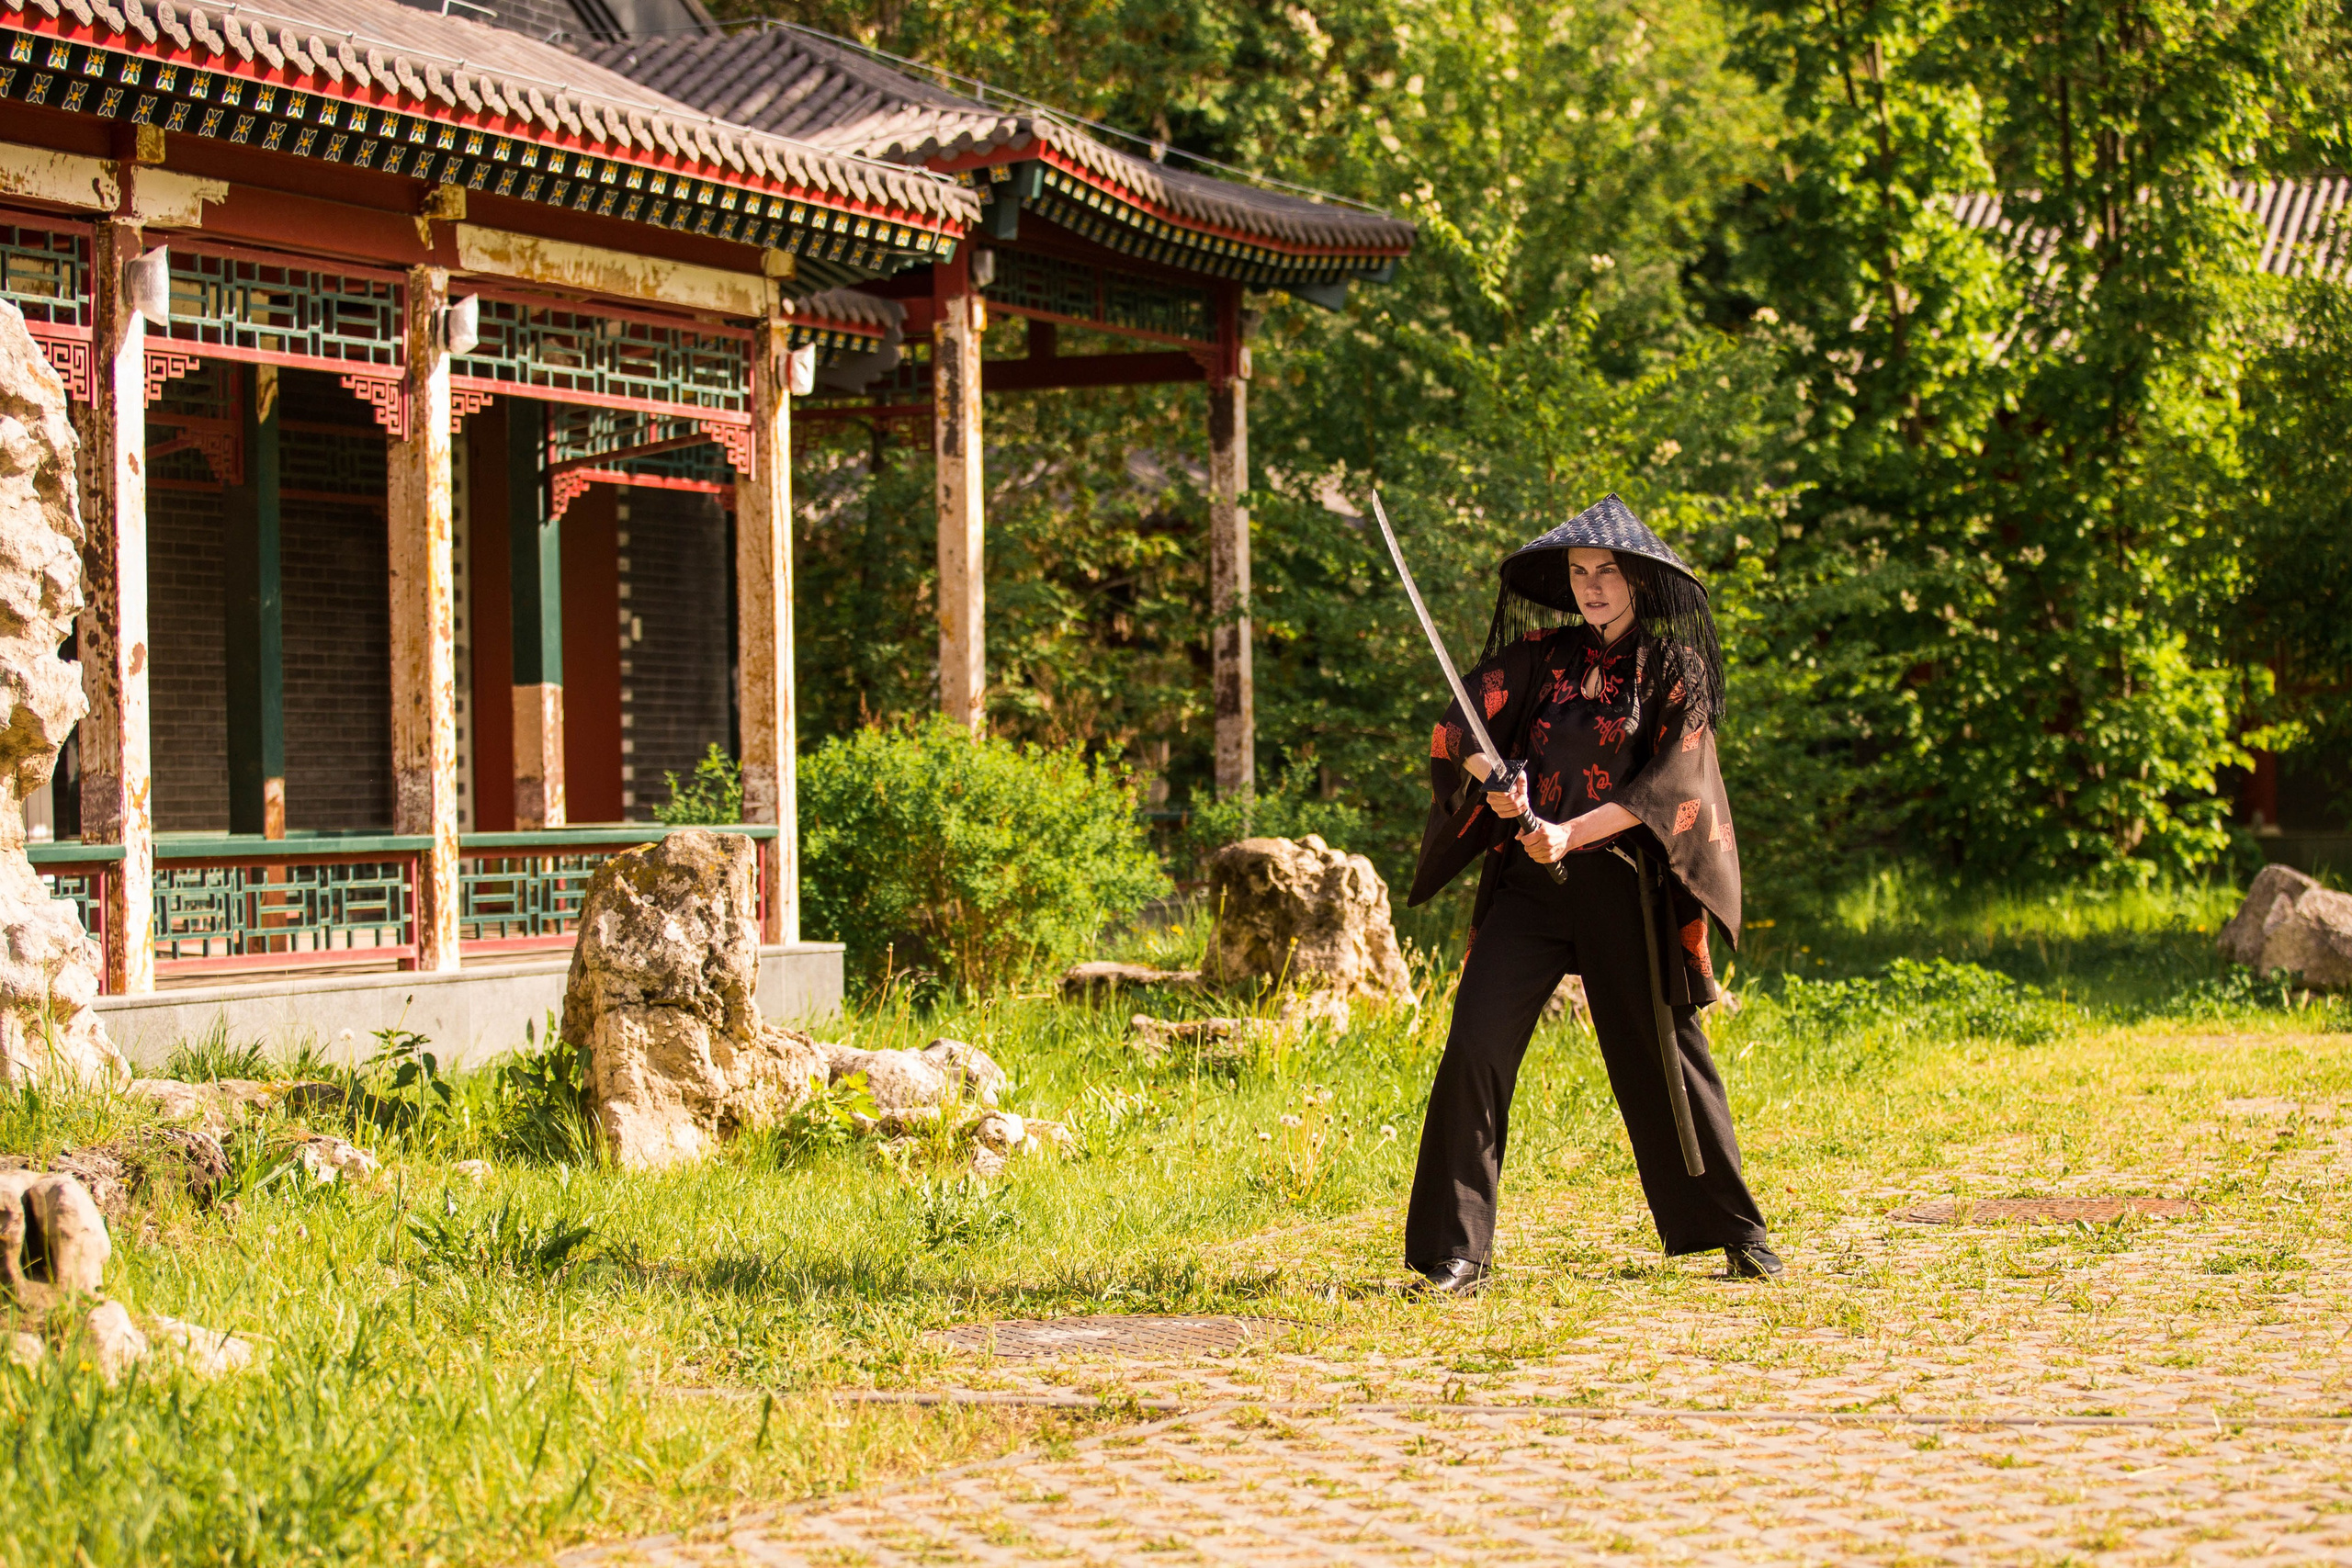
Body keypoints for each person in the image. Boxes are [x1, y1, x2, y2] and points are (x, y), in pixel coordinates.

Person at [1401, 493, 1777, 1295]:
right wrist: (1498, 786)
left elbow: (1668, 785)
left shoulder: (1678, 670)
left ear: (1638, 580)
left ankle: (1736, 1229)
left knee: (1665, 1055)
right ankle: (1455, 1253)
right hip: (1529, 892)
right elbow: (1457, 728)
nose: (1592, 586)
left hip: (1625, 892)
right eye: (1580, 573)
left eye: (1607, 572)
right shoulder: (1541, 655)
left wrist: (1572, 832)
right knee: (1474, 1042)